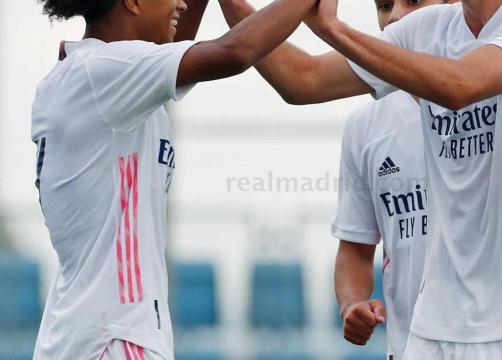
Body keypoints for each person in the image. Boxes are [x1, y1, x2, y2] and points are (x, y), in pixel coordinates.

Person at [221, 0, 502, 358]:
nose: (395, 15)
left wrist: (333, 28)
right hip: (432, 328)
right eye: (385, 5)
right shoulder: (424, 32)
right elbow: (303, 79)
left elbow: (460, 86)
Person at [31, 0, 318, 358]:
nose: (181, 3)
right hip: (114, 339)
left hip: (89, 334)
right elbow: (236, 51)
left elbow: (170, 51)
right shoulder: (107, 69)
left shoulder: (98, 74)